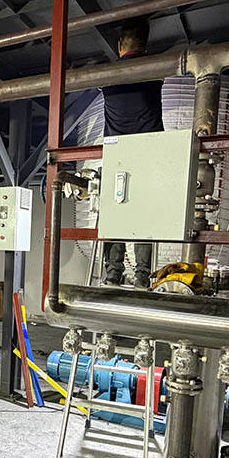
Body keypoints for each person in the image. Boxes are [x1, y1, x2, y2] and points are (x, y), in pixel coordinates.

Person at [101, 17, 163, 289]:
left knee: (116, 213)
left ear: (119, 46)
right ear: (145, 46)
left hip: (116, 153)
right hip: (149, 152)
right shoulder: (155, 71)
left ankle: (113, 274)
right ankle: (142, 276)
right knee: (144, 215)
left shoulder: (107, 76)